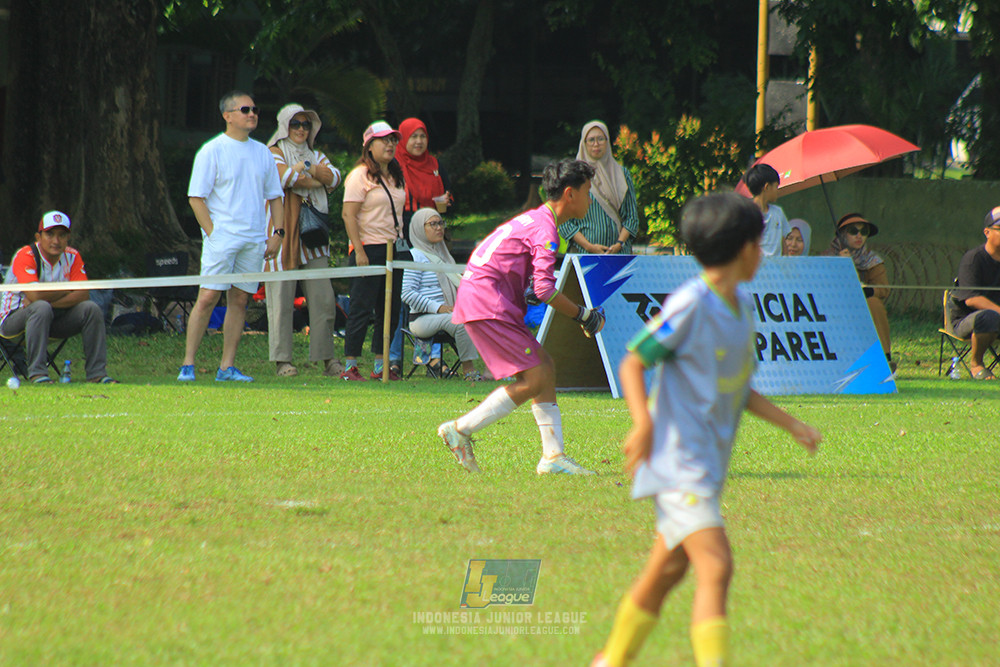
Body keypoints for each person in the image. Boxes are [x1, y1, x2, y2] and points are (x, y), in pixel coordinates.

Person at [590, 193, 821, 667]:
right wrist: (644, 422)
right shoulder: (692, 303)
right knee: (716, 565)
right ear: (746, 248)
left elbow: (738, 390)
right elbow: (634, 361)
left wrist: (791, 424)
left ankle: (610, 661)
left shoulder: (740, 307)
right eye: (761, 242)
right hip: (680, 463)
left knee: (668, 570)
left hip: (706, 465)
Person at [437, 158, 606, 475]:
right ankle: (461, 429)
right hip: (489, 303)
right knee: (535, 378)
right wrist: (584, 315)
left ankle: (553, 458)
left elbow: (523, 275)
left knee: (544, 367)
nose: (590, 198)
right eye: (588, 191)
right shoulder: (546, 229)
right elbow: (544, 289)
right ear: (570, 194)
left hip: (483, 299)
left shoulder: (535, 219)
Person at [179, 91, 284, 383]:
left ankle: (227, 367)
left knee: (239, 300)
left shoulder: (263, 152)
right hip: (222, 240)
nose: (252, 114)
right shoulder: (212, 150)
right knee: (208, 297)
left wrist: (278, 233)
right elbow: (196, 198)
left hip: (253, 239)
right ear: (228, 115)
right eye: (245, 109)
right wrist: (213, 234)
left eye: (255, 109)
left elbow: (275, 197)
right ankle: (187, 364)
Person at [264, 103, 343, 378]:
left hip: (314, 238)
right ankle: (282, 361)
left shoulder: (317, 153)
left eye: (306, 124)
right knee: (281, 301)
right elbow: (283, 177)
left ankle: (328, 360)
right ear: (285, 125)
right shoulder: (272, 152)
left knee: (323, 299)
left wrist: (304, 169)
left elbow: (334, 178)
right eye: (295, 124)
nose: (300, 129)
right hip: (281, 234)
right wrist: (312, 176)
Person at [0, 211, 118, 384]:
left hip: (52, 317)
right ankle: (38, 374)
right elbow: (35, 295)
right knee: (40, 307)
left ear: (68, 237)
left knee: (90, 309)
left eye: (62, 235)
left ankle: (97, 374)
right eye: (50, 234)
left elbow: (84, 293)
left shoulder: (73, 256)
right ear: (38, 237)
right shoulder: (25, 255)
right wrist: (68, 290)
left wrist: (49, 300)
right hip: (13, 322)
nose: (56, 241)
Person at [341, 121, 408, 381]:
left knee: (389, 310)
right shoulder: (360, 175)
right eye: (384, 140)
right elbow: (349, 215)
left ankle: (381, 366)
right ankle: (350, 365)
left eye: (393, 140)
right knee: (361, 307)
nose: (390, 145)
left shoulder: (396, 175)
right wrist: (358, 250)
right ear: (369, 146)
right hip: (368, 247)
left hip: (395, 248)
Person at [390, 117, 453, 375]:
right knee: (399, 298)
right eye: (413, 136)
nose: (418, 141)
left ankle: (430, 359)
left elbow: (446, 199)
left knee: (433, 293)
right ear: (403, 139)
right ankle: (393, 358)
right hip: (403, 236)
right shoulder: (395, 165)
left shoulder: (436, 165)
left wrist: (445, 203)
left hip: (431, 236)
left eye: (422, 136)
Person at [401, 208, 481, 380]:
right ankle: (470, 371)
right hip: (421, 319)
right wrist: (439, 308)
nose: (439, 228)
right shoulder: (415, 256)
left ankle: (501, 368)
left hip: (446, 314)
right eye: (433, 224)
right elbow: (407, 293)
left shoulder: (443, 255)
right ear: (419, 228)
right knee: (460, 322)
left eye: (440, 223)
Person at [822, 213, 894, 371]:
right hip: (832, 303)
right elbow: (820, 284)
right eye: (853, 231)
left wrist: (866, 291)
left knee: (874, 304)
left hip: (862, 305)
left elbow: (883, 289)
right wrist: (840, 265)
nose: (859, 236)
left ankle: (884, 358)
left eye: (864, 232)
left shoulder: (872, 260)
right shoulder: (827, 257)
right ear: (842, 235)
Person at [559, 121, 639, 254]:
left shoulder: (622, 174)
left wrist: (619, 244)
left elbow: (632, 217)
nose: (596, 144)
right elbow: (564, 221)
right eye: (591, 140)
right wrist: (589, 246)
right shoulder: (573, 176)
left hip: (619, 255)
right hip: (584, 255)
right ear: (584, 143)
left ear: (607, 142)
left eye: (601, 139)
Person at [947, 207, 1000, 380]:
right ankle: (976, 364)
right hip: (966, 320)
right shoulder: (973, 259)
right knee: (989, 317)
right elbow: (972, 299)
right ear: (987, 232)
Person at [741, 163, 791, 256]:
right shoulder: (746, 215)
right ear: (767, 187)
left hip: (776, 269)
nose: (778, 191)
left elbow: (783, 244)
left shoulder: (778, 213)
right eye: (776, 186)